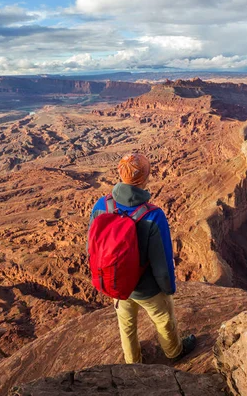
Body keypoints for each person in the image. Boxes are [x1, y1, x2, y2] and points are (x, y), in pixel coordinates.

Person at [88, 153, 196, 364]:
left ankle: (132, 363)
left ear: (120, 173)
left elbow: (91, 246)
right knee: (164, 321)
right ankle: (174, 353)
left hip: (118, 284)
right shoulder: (153, 215)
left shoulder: (102, 205)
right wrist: (168, 289)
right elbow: (162, 263)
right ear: (145, 178)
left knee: (126, 326)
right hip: (147, 289)